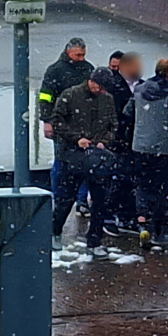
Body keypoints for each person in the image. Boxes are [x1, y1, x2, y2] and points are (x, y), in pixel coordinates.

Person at [49, 68, 117, 257]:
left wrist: (105, 140)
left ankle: (94, 241)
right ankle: (55, 231)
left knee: (100, 201)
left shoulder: (107, 99)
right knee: (66, 199)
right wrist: (76, 139)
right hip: (72, 156)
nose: (102, 92)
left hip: (97, 157)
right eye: (100, 88)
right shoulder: (70, 95)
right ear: (92, 82)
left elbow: (113, 125)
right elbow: (57, 122)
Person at [126, 58, 168, 247]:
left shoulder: (139, 89)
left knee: (143, 185)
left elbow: (127, 112)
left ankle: (142, 224)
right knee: (161, 188)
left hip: (140, 147)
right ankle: (156, 230)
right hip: (163, 150)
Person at [39, 38, 95, 215]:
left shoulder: (88, 69)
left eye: (83, 54)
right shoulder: (55, 71)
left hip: (85, 124)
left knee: (87, 163)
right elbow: (46, 97)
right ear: (68, 52)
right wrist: (47, 121)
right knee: (61, 163)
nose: (81, 58)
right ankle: (58, 197)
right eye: (78, 54)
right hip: (61, 124)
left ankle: (81, 201)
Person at [104, 52, 144, 234]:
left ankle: (128, 216)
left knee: (133, 180)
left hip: (138, 141)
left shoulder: (144, 87)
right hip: (119, 140)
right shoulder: (113, 87)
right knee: (118, 179)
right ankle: (109, 216)